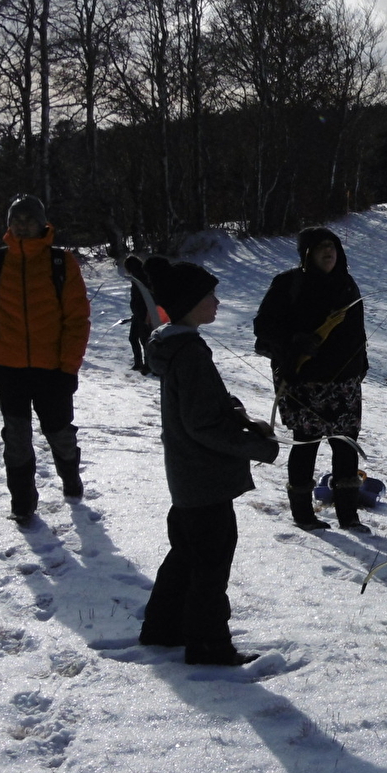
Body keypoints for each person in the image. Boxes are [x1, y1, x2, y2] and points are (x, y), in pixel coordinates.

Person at [138, 258, 277, 666]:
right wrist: (259, 447)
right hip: (203, 478)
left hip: (188, 479)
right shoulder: (189, 352)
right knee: (210, 565)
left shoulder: (177, 345)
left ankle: (162, 629)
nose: (216, 302)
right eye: (208, 296)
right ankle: (208, 644)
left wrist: (236, 412)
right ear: (188, 304)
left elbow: (202, 407)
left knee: (186, 555)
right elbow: (202, 425)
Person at [0, 195, 91, 523]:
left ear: (42, 223)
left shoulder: (61, 262)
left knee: (60, 433)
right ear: (8, 224)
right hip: (10, 368)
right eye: (16, 220)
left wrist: (69, 368)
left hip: (53, 371)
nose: (22, 225)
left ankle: (70, 477)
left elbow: (77, 320)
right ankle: (22, 502)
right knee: (17, 437)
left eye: (29, 219)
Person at [254, 227, 369, 532]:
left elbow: (357, 331)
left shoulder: (347, 284)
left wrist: (361, 364)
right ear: (307, 254)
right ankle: (303, 515)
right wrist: (296, 342)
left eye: (331, 246)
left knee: (345, 447)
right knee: (306, 445)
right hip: (304, 384)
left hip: (345, 384)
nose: (327, 252)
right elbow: (263, 327)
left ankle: (349, 515)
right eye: (320, 248)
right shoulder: (288, 284)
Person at [124, 255, 157, 375]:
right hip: (138, 314)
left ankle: (148, 365)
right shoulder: (137, 277)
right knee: (134, 338)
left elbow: (143, 299)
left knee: (144, 340)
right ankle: (139, 363)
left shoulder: (140, 278)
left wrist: (143, 314)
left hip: (143, 315)